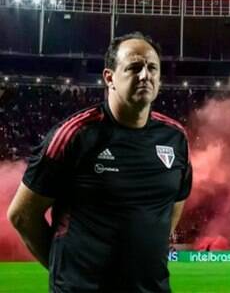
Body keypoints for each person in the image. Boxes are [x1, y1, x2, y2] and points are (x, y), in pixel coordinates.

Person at [6, 32, 192, 292]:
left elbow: (172, 207)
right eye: (134, 67)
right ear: (109, 77)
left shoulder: (175, 138)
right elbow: (22, 215)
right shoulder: (74, 135)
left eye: (152, 68)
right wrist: (65, 269)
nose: (145, 75)